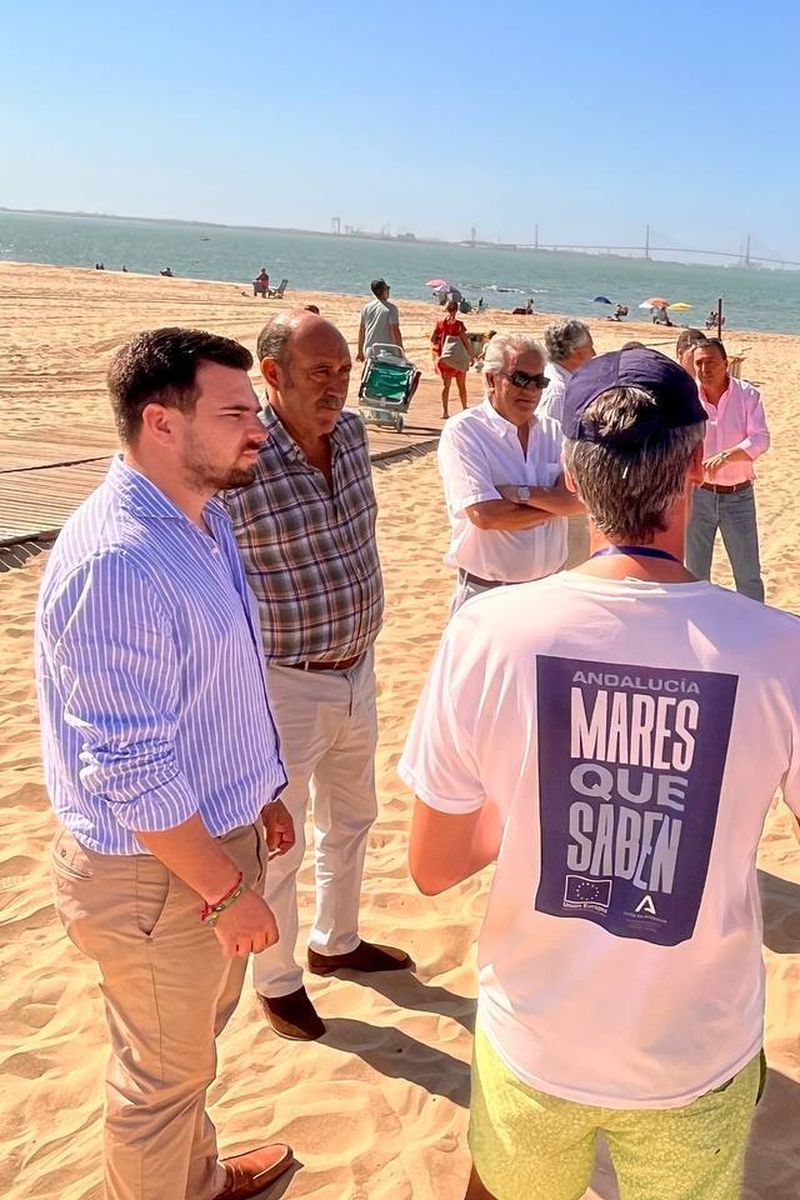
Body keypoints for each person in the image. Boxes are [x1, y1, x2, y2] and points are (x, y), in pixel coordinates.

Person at [399, 347, 800, 1200]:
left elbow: (432, 868)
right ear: (696, 464)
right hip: (693, 1048)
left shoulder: (489, 632)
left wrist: (546, 794)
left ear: (574, 478)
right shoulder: (783, 650)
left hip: (535, 1031)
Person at [37, 327, 296, 1199]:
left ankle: (198, 1181)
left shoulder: (201, 517)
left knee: (184, 1060)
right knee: (158, 1082)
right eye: (235, 413)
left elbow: (204, 692)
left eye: (254, 409)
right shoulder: (119, 560)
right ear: (162, 422)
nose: (258, 427)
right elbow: (130, 766)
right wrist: (225, 889)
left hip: (205, 843)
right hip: (157, 872)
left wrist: (261, 795)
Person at [225, 311, 412, 1042]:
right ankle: (277, 980)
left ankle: (336, 941)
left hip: (359, 668)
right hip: (284, 683)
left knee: (354, 815)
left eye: (343, 370)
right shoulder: (242, 459)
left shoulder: (357, 435)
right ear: (271, 375)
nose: (336, 386)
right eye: (318, 373)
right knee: (283, 840)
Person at [438, 334, 586, 612]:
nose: (530, 390)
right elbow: (486, 516)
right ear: (491, 379)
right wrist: (555, 505)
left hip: (549, 592)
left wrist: (521, 495)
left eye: (538, 381)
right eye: (520, 379)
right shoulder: (465, 432)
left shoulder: (553, 432)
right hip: (489, 596)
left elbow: (580, 501)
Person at [686, 338, 769, 602]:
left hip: (738, 496)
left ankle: (755, 629)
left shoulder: (747, 395)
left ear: (726, 363)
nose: (704, 368)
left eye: (710, 362)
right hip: (699, 495)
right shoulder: (688, 398)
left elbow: (760, 439)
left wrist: (727, 456)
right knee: (695, 572)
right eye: (699, 363)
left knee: (747, 574)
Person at [542, 319, 600, 567]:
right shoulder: (557, 391)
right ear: (577, 353)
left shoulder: (565, 384)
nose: (595, 354)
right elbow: (548, 448)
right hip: (562, 495)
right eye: (590, 347)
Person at [433, 299, 474, 418]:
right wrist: (472, 357)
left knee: (446, 385)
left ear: (446, 309)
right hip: (458, 359)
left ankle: (445, 412)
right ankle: (464, 407)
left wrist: (436, 355)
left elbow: (433, 339)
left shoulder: (440, 323)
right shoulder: (459, 325)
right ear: (456, 310)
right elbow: (466, 342)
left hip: (445, 359)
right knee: (461, 385)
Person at [357, 277, 404, 362]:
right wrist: (401, 351)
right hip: (388, 352)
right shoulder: (391, 309)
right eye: (388, 288)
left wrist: (360, 351)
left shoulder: (367, 307)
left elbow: (362, 331)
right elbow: (395, 331)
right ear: (384, 290)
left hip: (370, 351)